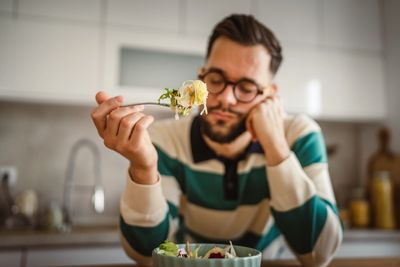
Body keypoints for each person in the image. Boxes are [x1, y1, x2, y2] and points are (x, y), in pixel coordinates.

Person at [91, 14, 342, 267]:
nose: (227, 99)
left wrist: (276, 146)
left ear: (270, 94)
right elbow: (146, 255)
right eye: (216, 80)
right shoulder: (164, 141)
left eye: (246, 87)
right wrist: (143, 168)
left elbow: (319, 254)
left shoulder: (299, 135)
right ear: (201, 78)